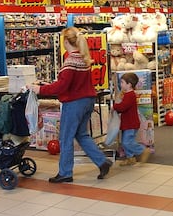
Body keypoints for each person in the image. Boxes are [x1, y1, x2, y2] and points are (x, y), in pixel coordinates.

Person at [29, 27, 112, 183]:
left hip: (74, 103)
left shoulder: (70, 61)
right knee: (81, 134)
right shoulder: (83, 58)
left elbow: (62, 86)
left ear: (66, 41)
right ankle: (102, 161)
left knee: (65, 137)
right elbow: (71, 83)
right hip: (88, 100)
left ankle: (65, 172)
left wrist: (39, 89)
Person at [113, 72, 151, 166]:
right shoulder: (128, 94)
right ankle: (130, 158)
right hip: (129, 123)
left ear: (129, 84)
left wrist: (114, 106)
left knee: (126, 142)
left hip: (131, 124)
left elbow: (123, 107)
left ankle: (143, 150)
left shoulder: (130, 95)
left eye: (122, 82)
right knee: (128, 141)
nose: (120, 84)